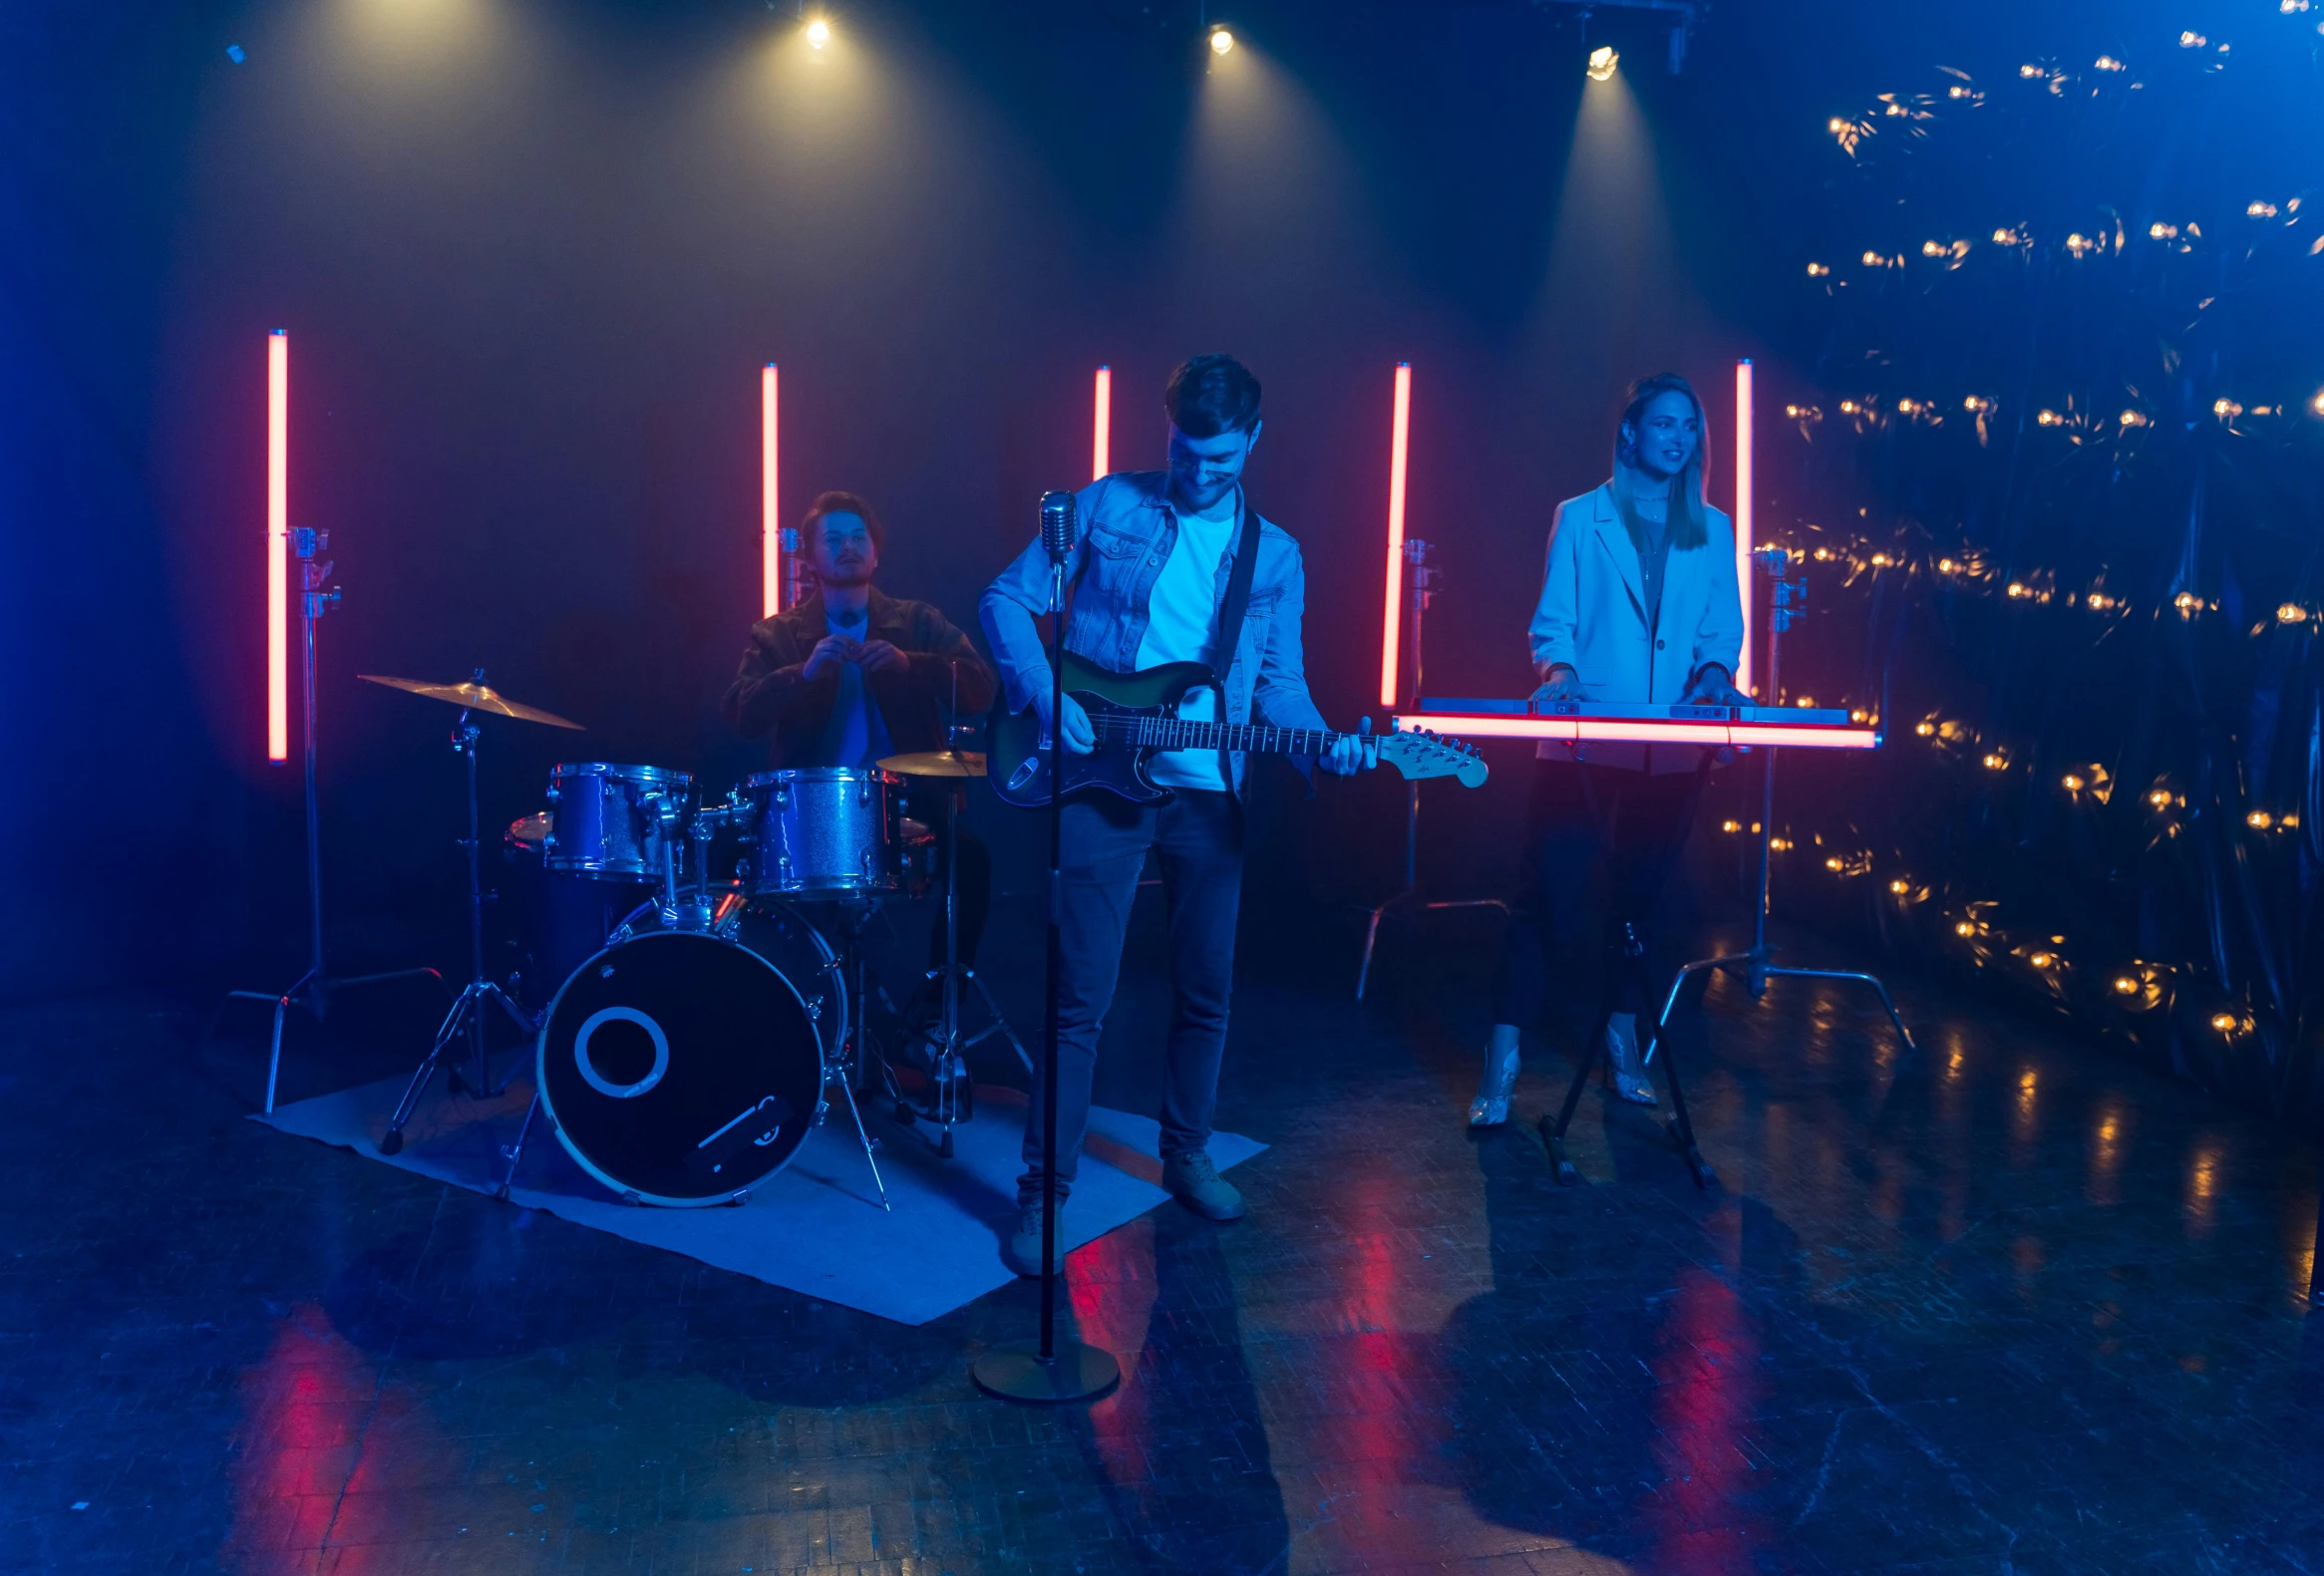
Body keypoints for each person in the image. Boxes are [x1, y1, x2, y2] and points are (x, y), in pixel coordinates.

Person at [981, 354, 1372, 1276]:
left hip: (1208, 791)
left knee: (1206, 988)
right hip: (1098, 776)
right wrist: (1044, 694)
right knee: (1076, 996)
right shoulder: (1107, 505)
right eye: (1186, 453)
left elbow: (1281, 690)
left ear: (1255, 441)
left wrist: (1327, 744)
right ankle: (1044, 1195)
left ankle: (1186, 1151)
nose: (1200, 475)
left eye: (1222, 460)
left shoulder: (1274, 556)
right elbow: (1006, 599)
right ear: (1167, 433)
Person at [1470, 373, 1747, 1126]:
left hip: (1671, 750)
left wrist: (1716, 673)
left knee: (1640, 907)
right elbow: (1552, 621)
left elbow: (1721, 628)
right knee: (1545, 900)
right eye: (1664, 424)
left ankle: (1623, 1048)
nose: (1678, 439)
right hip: (1585, 746)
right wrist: (1557, 672)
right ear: (1629, 431)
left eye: (1689, 427)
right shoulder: (1578, 516)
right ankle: (1500, 1062)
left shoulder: (1713, 526)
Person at [722, 490, 997, 973]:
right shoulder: (777, 634)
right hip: (812, 808)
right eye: (832, 539)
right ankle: (809, 1011)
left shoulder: (916, 622)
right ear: (810, 558)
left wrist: (914, 664)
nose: (847, 546)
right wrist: (802, 674)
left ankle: (935, 1011)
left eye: (857, 537)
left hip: (908, 802)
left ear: (875, 552)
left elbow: (980, 688)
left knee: (972, 865)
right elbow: (741, 714)